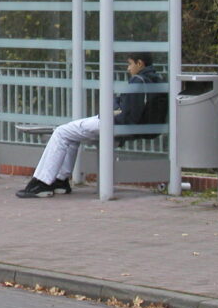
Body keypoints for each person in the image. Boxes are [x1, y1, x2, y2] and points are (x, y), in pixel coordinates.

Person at [16, 52, 162, 198]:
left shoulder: (138, 81)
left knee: (61, 132)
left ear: (140, 63)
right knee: (71, 136)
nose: (128, 69)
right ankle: (60, 181)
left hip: (112, 124)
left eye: (130, 64)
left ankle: (42, 183)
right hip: (126, 126)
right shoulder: (157, 80)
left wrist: (109, 112)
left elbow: (127, 112)